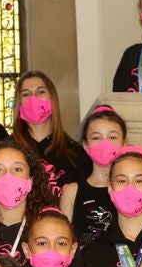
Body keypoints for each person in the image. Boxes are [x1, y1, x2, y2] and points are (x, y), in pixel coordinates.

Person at [11, 70, 92, 203]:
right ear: (18, 103)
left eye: (40, 91)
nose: (33, 98)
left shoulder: (75, 154)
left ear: (52, 99)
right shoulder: (6, 150)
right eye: (26, 94)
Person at [68, 107, 141, 247]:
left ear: (124, 143)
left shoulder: (136, 189)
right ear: (85, 145)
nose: (105, 143)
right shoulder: (72, 191)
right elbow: (65, 240)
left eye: (112, 137)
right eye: (96, 137)